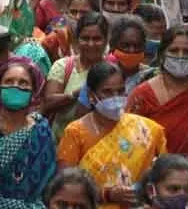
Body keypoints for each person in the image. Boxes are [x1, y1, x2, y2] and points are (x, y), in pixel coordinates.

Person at [57, 61, 167, 206]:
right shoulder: (75, 132)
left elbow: (164, 176)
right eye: (107, 92)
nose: (115, 97)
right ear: (91, 95)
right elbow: (67, 187)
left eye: (120, 91)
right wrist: (107, 195)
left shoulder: (147, 130)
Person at [126, 25, 188, 158]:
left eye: (187, 52)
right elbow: (128, 143)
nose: (180, 56)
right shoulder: (141, 97)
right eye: (174, 51)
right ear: (162, 55)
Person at [0, 57, 57, 209]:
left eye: (23, 83)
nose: (15, 86)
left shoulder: (41, 130)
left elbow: (49, 184)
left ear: (33, 95)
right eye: (9, 81)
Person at [44, 12, 110, 139]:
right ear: (76, 40)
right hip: (60, 144)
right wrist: (80, 92)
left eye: (97, 39)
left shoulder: (112, 70)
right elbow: (48, 102)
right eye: (85, 38)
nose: (91, 44)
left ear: (106, 40)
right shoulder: (63, 66)